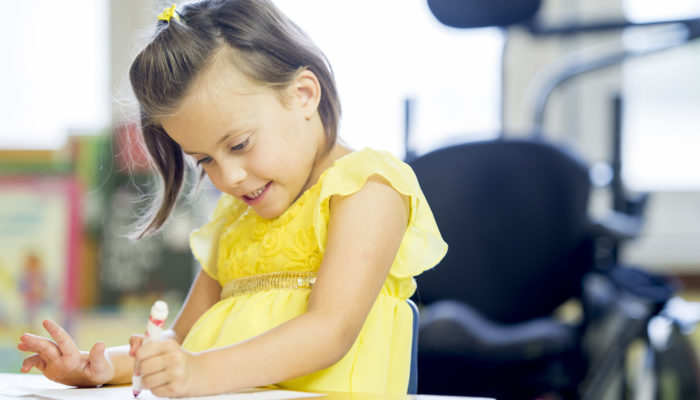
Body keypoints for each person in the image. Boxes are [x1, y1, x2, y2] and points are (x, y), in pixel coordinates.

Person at [17, 0, 447, 397]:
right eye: (205, 160)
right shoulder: (235, 218)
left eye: (239, 144)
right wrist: (101, 367)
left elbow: (328, 331)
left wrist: (200, 372)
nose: (229, 177)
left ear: (303, 94)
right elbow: (179, 342)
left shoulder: (367, 188)